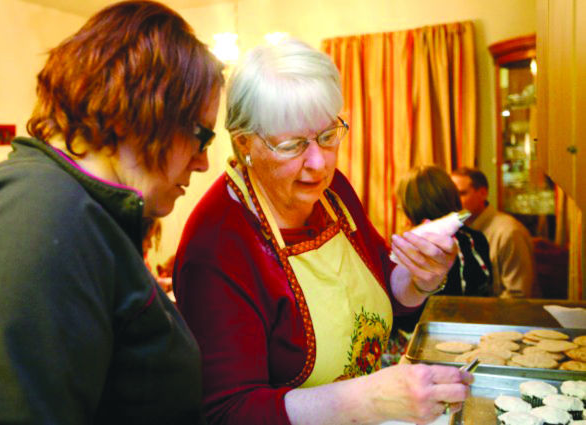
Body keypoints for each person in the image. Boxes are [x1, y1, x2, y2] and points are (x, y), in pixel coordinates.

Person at [174, 39, 473, 425]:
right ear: (244, 142)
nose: (318, 163)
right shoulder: (217, 245)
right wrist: (368, 400)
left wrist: (419, 278)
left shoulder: (333, 192)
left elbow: (383, 288)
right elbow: (229, 413)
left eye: (328, 136)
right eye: (293, 145)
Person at [0, 1, 223, 423]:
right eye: (201, 135)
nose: (203, 162)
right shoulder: (40, 212)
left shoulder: (83, 213)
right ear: (142, 105)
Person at [387, 165, 492, 353]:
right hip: (475, 338)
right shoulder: (476, 239)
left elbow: (403, 314)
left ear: (409, 207)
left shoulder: (411, 249)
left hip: (427, 345)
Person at [451, 167, 535, 298]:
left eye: (461, 194)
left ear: (483, 193)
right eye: (451, 195)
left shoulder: (508, 232)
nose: (454, 201)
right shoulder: (457, 231)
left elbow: (518, 295)